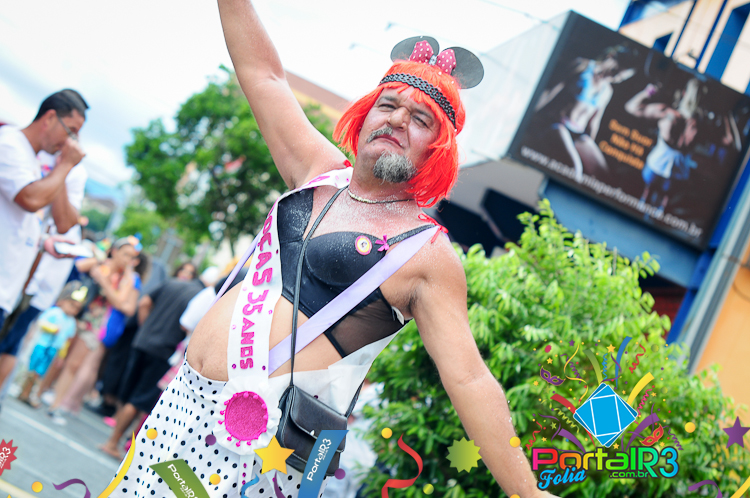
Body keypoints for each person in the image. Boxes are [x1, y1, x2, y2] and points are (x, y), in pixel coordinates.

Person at [110, 2, 557, 497]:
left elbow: (469, 379)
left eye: (420, 118)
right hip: (180, 408)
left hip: (262, 454)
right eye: (387, 105)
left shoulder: (427, 253)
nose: (396, 120)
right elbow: (263, 76)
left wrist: (528, 493)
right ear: (365, 117)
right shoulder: (317, 173)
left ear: (439, 148)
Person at [0, 150, 87, 394]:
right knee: (11, 343)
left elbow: (64, 226)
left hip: (33, 288)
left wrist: (63, 169)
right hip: (21, 281)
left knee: (10, 343)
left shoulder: (71, 177)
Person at [0, 90, 88, 331]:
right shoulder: (9, 144)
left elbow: (64, 223)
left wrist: (43, 241)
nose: (72, 142)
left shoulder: (33, 157)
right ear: (49, 118)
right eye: (71, 131)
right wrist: (66, 165)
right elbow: (30, 199)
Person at [100, 272, 204, 458]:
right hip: (164, 351)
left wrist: (145, 327)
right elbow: (186, 325)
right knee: (140, 400)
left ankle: (114, 441)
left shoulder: (172, 283)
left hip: (142, 341)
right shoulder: (200, 297)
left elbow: (144, 303)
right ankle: (114, 443)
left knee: (130, 394)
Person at [47, 238, 140, 424]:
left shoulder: (127, 279)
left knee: (74, 365)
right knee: (57, 355)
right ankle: (38, 390)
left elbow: (119, 302)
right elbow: (78, 266)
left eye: (132, 257)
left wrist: (103, 280)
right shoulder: (100, 262)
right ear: (114, 251)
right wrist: (97, 261)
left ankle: (55, 405)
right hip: (75, 313)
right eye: (125, 254)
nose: (127, 260)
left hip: (94, 323)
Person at [533, 46, 638, 182]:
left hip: (579, 134)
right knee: (575, 170)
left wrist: (589, 143)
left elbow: (595, 121)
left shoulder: (607, 90)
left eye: (619, 78)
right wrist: (530, 114)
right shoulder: (582, 66)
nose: (614, 77)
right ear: (611, 56)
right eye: (615, 71)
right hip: (558, 125)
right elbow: (550, 91)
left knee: (603, 176)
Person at [17, 282, 86, 406]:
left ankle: (30, 393)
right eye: (72, 305)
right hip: (41, 345)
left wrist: (62, 355)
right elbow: (41, 322)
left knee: (40, 372)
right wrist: (52, 329)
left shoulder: (71, 322)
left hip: (53, 350)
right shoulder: (54, 312)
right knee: (31, 367)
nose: (73, 310)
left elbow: (67, 340)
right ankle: (23, 390)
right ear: (62, 301)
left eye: (77, 308)